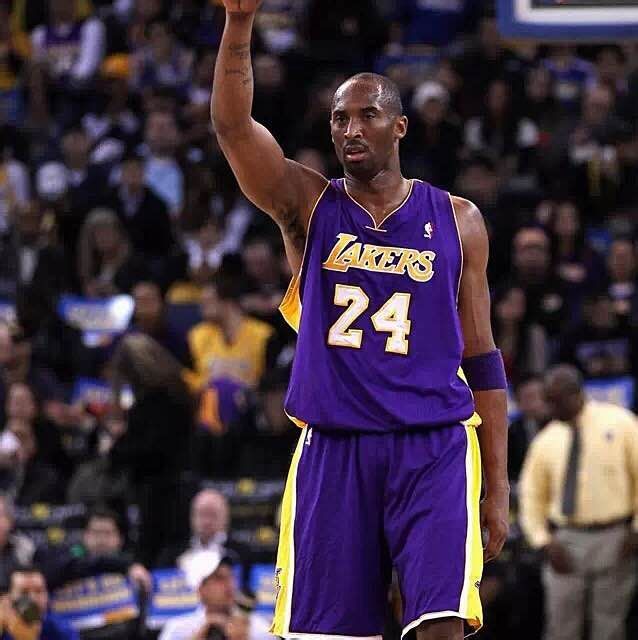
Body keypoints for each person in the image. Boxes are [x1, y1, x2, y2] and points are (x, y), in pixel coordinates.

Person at [211, 3, 509, 639]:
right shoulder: (308, 206)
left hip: (434, 444)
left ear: (399, 127)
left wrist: (499, 489)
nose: (351, 129)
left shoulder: (459, 220)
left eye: (367, 115)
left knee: (441, 625)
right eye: (339, 118)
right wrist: (239, 21)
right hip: (335, 445)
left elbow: (483, 358)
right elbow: (233, 129)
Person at [519, 364, 638, 640]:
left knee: (609, 628)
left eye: (555, 400)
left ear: (575, 394)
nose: (550, 407)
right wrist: (543, 542)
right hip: (565, 539)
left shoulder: (621, 423)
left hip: (615, 535)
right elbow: (531, 496)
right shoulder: (546, 440)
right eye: (548, 400)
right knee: (561, 627)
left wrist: (635, 531)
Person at [158, 551, 269, 640]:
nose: (229, 585)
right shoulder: (178, 629)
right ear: (200, 588)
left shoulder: (259, 628)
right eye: (219, 578)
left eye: (231, 576)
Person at [0, 566, 78, 640]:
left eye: (39, 591)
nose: (33, 599)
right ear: (7, 598)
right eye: (24, 592)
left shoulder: (60, 629)